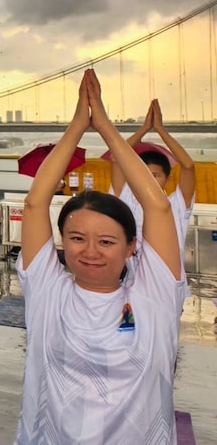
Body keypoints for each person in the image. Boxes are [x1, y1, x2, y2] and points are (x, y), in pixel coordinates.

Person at [15, 69, 187, 444]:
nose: (89, 251)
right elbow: (35, 203)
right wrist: (78, 126)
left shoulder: (153, 296)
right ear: (61, 241)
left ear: (132, 247)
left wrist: (106, 127)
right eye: (76, 238)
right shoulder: (48, 290)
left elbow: (157, 208)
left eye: (107, 242)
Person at [108, 98, 196, 258]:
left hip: (165, 281)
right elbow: (115, 157)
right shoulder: (125, 197)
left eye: (155, 175)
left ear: (168, 178)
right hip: (130, 280)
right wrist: (144, 128)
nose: (149, 180)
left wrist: (160, 129)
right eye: (144, 174)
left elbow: (188, 166)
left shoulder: (176, 205)